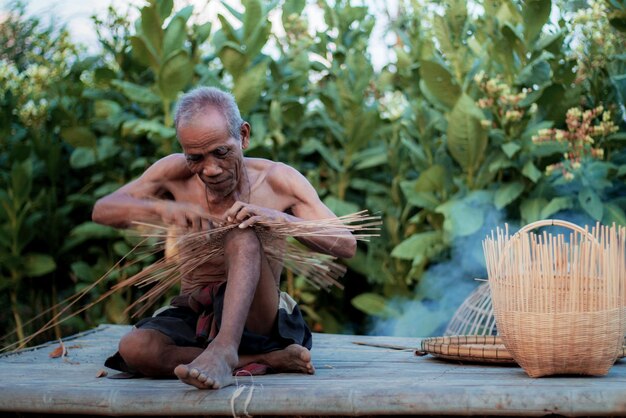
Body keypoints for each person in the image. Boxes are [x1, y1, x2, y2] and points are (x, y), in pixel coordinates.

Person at [91, 86, 357, 390]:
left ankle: (226, 349)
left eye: (221, 152)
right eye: (196, 158)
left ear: (243, 136)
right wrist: (161, 207)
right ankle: (266, 359)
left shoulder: (278, 180)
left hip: (259, 319)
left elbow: (346, 244)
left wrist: (281, 220)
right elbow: (103, 210)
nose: (210, 169)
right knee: (135, 348)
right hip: (196, 313)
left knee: (241, 236)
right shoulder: (173, 173)